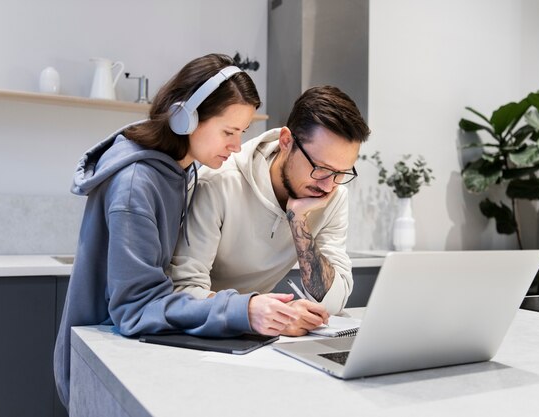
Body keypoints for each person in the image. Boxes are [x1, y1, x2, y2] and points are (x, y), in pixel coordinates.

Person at [53, 53, 300, 409]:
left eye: (242, 133)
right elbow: (136, 309)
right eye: (228, 132)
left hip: (128, 355)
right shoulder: (136, 184)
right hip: (99, 368)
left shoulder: (178, 172)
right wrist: (240, 310)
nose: (235, 145)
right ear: (186, 118)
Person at [169, 85, 370, 336]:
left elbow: (332, 304)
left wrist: (298, 222)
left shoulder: (333, 196)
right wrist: (256, 311)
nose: (329, 185)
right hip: (202, 334)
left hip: (257, 334)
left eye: (341, 173)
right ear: (286, 141)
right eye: (320, 168)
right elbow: (182, 291)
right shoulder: (219, 182)